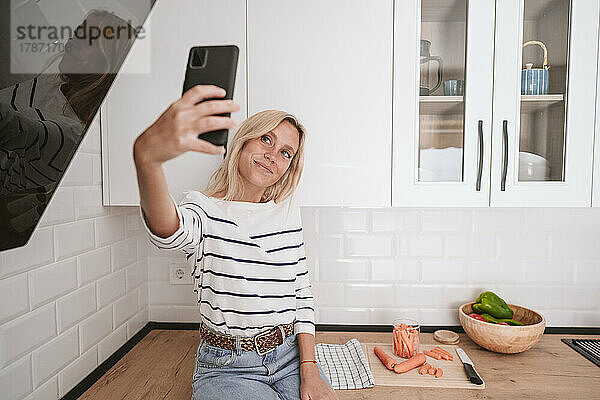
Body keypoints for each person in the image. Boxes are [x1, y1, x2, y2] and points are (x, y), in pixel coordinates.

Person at [133, 85, 339, 400]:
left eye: (285, 152)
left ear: (288, 168)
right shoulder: (203, 209)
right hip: (227, 366)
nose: (273, 155)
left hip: (291, 358)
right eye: (266, 139)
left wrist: (310, 370)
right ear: (242, 142)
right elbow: (168, 232)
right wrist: (148, 161)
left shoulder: (285, 214)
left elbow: (301, 294)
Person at [0, 9, 135, 250]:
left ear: (108, 63)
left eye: (90, 40)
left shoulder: (76, 133)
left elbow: (15, 127)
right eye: (78, 32)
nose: (74, 41)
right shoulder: (52, 84)